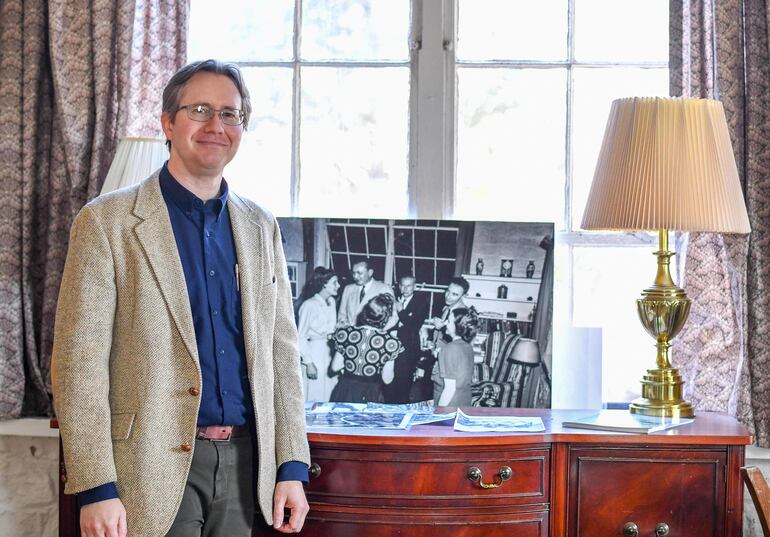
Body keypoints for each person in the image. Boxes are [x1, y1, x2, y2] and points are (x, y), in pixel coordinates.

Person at [51, 60, 310, 537]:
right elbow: (78, 365)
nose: (217, 126)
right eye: (200, 110)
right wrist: (95, 487)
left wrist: (292, 463)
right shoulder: (106, 224)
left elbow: (281, 354)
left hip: (246, 465)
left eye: (230, 114)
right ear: (168, 123)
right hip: (143, 469)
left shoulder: (260, 226)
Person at [329, 294, 403, 403]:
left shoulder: (344, 333)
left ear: (365, 313)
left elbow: (335, 367)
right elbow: (387, 379)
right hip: (371, 393)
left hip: (346, 390)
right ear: (385, 317)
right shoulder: (390, 343)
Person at [383, 275, 429, 404]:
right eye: (402, 285)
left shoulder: (421, 302)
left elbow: (414, 326)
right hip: (390, 347)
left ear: (415, 286)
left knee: (403, 387)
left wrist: (401, 311)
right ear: (399, 286)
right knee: (388, 384)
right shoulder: (392, 300)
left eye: (409, 286)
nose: (405, 288)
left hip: (408, 351)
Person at [297, 267, 340, 403]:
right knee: (315, 392)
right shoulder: (309, 305)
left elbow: (330, 328)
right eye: (335, 283)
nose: (338, 286)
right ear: (324, 284)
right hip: (314, 353)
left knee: (329, 390)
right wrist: (309, 363)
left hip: (329, 352)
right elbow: (300, 336)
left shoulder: (331, 302)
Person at [432, 307, 479, 407]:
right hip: (465, 401)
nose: (445, 324)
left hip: (449, 403)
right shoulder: (467, 346)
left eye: (448, 321)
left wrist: (439, 412)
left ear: (458, 326)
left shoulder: (449, 349)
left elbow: (449, 389)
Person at [336, 259, 396, 328]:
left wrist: (379, 331)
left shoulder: (384, 288)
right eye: (353, 273)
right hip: (352, 335)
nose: (355, 276)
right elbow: (342, 314)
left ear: (370, 272)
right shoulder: (348, 289)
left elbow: (393, 317)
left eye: (359, 273)